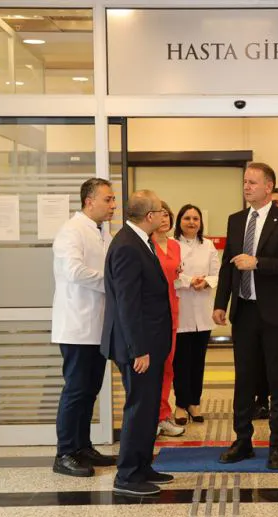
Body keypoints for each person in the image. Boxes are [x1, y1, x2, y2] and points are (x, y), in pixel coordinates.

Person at [213, 162, 278, 470]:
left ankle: (277, 445)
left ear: (268, 186)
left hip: (277, 313)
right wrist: (220, 302)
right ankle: (242, 441)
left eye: (252, 182)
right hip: (245, 310)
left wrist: (257, 263)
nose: (246, 187)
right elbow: (227, 264)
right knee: (244, 379)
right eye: (245, 182)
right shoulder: (236, 220)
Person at [101, 190, 174, 497]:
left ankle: (143, 466)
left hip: (149, 343)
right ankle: (128, 475)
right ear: (149, 216)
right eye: (160, 211)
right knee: (139, 407)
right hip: (138, 347)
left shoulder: (139, 240)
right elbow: (127, 303)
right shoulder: (128, 246)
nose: (163, 215)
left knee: (148, 408)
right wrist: (138, 349)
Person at [51, 178, 117, 478]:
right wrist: (112, 283)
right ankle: (65, 453)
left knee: (91, 389)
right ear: (89, 201)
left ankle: (82, 446)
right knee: (76, 390)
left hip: (97, 325)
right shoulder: (71, 230)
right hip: (77, 325)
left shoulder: (101, 231)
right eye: (108, 199)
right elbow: (74, 271)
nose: (113, 205)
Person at [173, 204, 221, 425]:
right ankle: (181, 404)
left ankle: (194, 402)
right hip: (181, 309)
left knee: (198, 360)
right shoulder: (171, 244)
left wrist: (206, 282)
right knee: (181, 361)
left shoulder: (208, 245)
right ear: (179, 221)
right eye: (187, 218)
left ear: (201, 223)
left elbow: (217, 273)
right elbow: (170, 274)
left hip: (202, 311)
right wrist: (189, 281)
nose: (191, 222)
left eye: (195, 219)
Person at [252, 186, 278, 419]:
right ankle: (258, 404)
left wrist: (257, 262)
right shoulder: (246, 223)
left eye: (277, 203)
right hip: (251, 308)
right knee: (253, 368)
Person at [151, 201, 185, 438]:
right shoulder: (146, 244)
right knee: (151, 368)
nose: (164, 219)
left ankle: (163, 415)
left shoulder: (175, 245)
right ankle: (151, 416)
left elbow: (176, 276)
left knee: (167, 367)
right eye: (160, 214)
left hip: (172, 310)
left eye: (167, 215)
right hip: (152, 313)